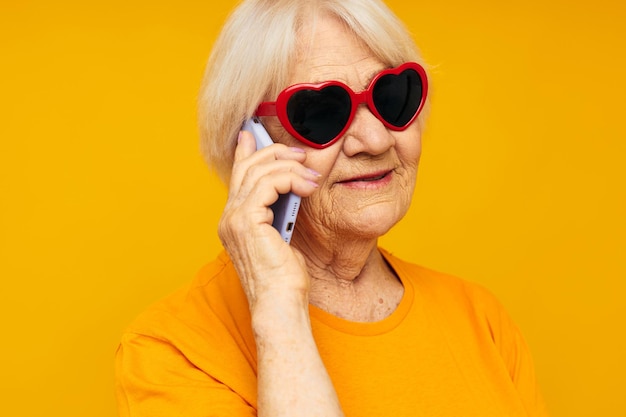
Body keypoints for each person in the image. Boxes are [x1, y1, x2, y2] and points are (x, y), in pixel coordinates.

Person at [115, 0, 549, 416]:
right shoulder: (174, 348)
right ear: (250, 143)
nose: (376, 141)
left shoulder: (480, 320)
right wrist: (277, 306)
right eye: (322, 112)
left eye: (391, 96)